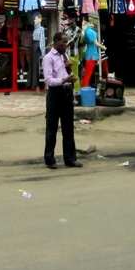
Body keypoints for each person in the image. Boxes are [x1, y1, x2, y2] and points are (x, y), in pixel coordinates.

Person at [42, 32, 81, 169]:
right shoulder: (48, 58)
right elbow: (48, 80)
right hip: (55, 94)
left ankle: (70, 159)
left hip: (66, 92)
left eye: (66, 42)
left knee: (68, 127)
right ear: (56, 42)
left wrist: (70, 75)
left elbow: (66, 72)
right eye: (63, 43)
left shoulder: (64, 56)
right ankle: (50, 158)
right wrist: (63, 80)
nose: (65, 45)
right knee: (52, 127)